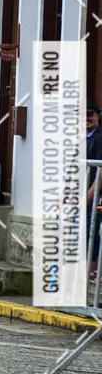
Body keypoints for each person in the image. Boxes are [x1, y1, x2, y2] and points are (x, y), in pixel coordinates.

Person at [86, 98, 102, 278]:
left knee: (93, 233)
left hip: (95, 196)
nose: (86, 118)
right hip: (83, 196)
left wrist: (89, 196)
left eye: (90, 114)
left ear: (97, 116)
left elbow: (100, 171)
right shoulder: (82, 138)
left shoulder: (99, 139)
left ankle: (93, 272)